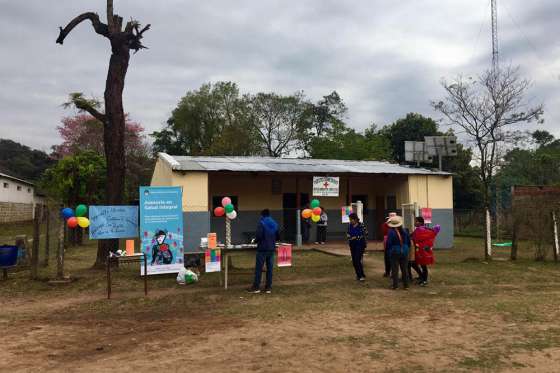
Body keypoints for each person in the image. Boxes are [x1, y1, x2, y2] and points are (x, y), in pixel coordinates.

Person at [248, 209, 280, 294]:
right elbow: (278, 237)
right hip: (271, 249)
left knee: (259, 268)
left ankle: (256, 287)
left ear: (262, 215)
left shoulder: (262, 223)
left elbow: (259, 236)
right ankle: (268, 287)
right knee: (270, 269)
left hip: (262, 249)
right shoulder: (274, 223)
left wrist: (254, 241)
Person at [411, 216, 441, 286]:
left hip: (421, 251)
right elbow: (434, 231)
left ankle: (424, 280)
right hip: (423, 251)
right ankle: (422, 277)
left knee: (422, 265)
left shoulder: (419, 230)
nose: (414, 222)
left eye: (416, 221)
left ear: (420, 222)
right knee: (420, 264)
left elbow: (414, 238)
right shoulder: (426, 229)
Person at [386, 216, 410, 290]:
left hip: (395, 251)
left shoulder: (391, 232)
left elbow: (389, 243)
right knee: (404, 269)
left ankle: (395, 285)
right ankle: (406, 285)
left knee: (395, 269)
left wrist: (389, 251)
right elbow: (408, 242)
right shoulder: (405, 231)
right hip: (404, 251)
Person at [347, 213, 368, 281]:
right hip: (352, 244)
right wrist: (348, 236)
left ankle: (361, 276)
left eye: (351, 219)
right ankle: (359, 274)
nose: (350, 221)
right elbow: (348, 232)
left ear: (355, 219)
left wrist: (356, 237)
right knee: (354, 261)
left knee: (357, 259)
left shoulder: (361, 225)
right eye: (350, 219)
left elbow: (366, 233)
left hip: (360, 244)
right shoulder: (350, 225)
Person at [382, 212, 397, 277]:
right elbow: (384, 231)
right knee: (387, 259)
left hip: (395, 245)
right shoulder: (385, 225)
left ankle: (392, 273)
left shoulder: (397, 225)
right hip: (388, 244)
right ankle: (388, 272)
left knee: (393, 260)